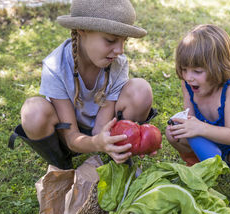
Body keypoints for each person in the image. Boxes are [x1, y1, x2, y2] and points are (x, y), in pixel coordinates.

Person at [8, 0, 158, 170]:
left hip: (105, 129)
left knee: (141, 90)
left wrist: (114, 139)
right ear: (82, 30)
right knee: (33, 110)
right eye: (110, 40)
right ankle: (62, 166)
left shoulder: (117, 63)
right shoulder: (55, 66)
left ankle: (119, 155)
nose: (120, 50)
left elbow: (101, 127)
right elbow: (72, 138)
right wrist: (95, 142)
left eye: (124, 41)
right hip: (67, 136)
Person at [165, 24, 230, 211]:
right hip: (207, 142)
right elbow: (189, 116)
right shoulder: (188, 83)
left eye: (197, 71)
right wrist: (183, 124)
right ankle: (197, 165)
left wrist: (199, 128)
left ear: (218, 68)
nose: (188, 77)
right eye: (184, 69)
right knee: (173, 132)